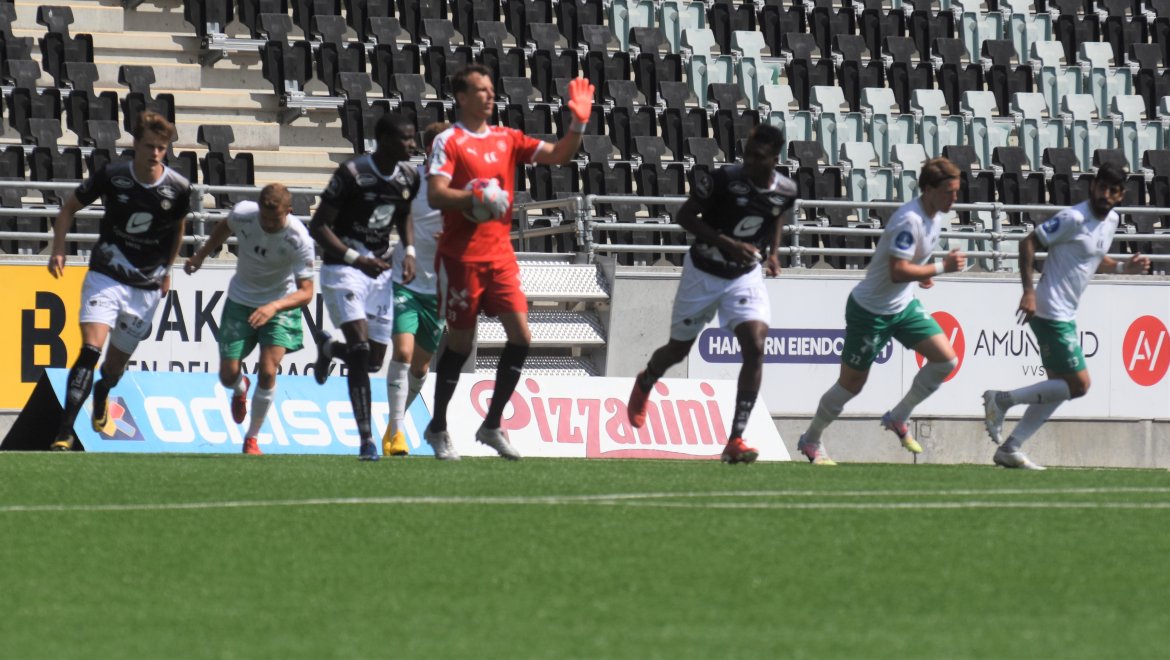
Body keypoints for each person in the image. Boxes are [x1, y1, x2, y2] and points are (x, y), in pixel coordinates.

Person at [423, 64, 595, 461]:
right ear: (462, 97)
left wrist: (578, 124)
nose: (489, 96)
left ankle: (491, 424)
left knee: (521, 336)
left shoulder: (506, 138)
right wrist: (475, 197)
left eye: (491, 89)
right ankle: (438, 427)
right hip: (461, 258)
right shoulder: (449, 140)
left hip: (500, 256)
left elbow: (559, 155)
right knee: (461, 344)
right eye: (480, 90)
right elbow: (435, 194)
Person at [625, 124, 796, 464]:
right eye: (748, 154)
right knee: (677, 351)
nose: (749, 162)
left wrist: (774, 253)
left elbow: (776, 215)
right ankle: (647, 379)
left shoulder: (786, 190)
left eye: (758, 157)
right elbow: (685, 216)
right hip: (702, 272)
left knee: (756, 346)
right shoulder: (722, 180)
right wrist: (727, 243)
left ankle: (735, 438)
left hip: (744, 276)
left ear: (774, 160)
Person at [796, 157, 967, 466]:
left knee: (946, 360)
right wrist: (941, 268)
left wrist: (924, 274)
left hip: (903, 307)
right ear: (929, 189)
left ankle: (899, 416)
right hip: (870, 312)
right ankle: (811, 440)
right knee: (851, 385)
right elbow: (897, 271)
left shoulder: (935, 217)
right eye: (948, 192)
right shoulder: (909, 220)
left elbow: (909, 266)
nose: (954, 198)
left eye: (956, 191)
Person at [982, 162, 1149, 470]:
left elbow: (1095, 257)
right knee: (1079, 385)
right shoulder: (1074, 217)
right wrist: (1028, 291)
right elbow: (1028, 242)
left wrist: (1124, 267)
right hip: (1049, 309)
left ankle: (1011, 447)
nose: (1106, 194)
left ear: (1121, 195)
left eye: (1113, 190)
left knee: (1057, 388)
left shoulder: (1112, 220)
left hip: (1065, 312)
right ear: (1092, 186)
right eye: (1102, 187)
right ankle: (1002, 400)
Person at [46, 111, 192, 450]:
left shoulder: (178, 188)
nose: (155, 153)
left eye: (161, 148)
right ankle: (64, 432)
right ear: (135, 144)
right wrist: (58, 248)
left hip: (146, 287)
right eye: (150, 146)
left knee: (113, 368)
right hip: (106, 274)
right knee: (90, 350)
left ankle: (103, 390)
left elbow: (178, 229)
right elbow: (68, 209)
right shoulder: (113, 176)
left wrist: (168, 270)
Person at [309, 112, 418, 461]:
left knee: (372, 361)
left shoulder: (408, 176)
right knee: (358, 350)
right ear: (384, 140)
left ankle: (328, 349)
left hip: (381, 272)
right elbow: (318, 226)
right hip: (344, 268)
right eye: (406, 138)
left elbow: (404, 213)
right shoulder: (352, 174)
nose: (412, 144)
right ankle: (366, 440)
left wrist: (409, 251)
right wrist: (357, 259)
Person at [183, 183, 315, 455]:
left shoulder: (299, 238)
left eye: (274, 219)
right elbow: (224, 227)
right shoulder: (244, 213)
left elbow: (306, 292)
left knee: (268, 370)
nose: (268, 224)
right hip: (240, 301)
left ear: (289, 211)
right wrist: (200, 255)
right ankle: (240, 388)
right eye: (264, 218)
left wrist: (273, 307)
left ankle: (252, 438)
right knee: (227, 375)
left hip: (279, 306)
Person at [382, 121, 450, 458]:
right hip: (405, 279)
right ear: (428, 149)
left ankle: (394, 422)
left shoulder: (463, 186)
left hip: (440, 287)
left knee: (421, 368)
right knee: (404, 353)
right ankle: (397, 432)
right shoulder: (411, 180)